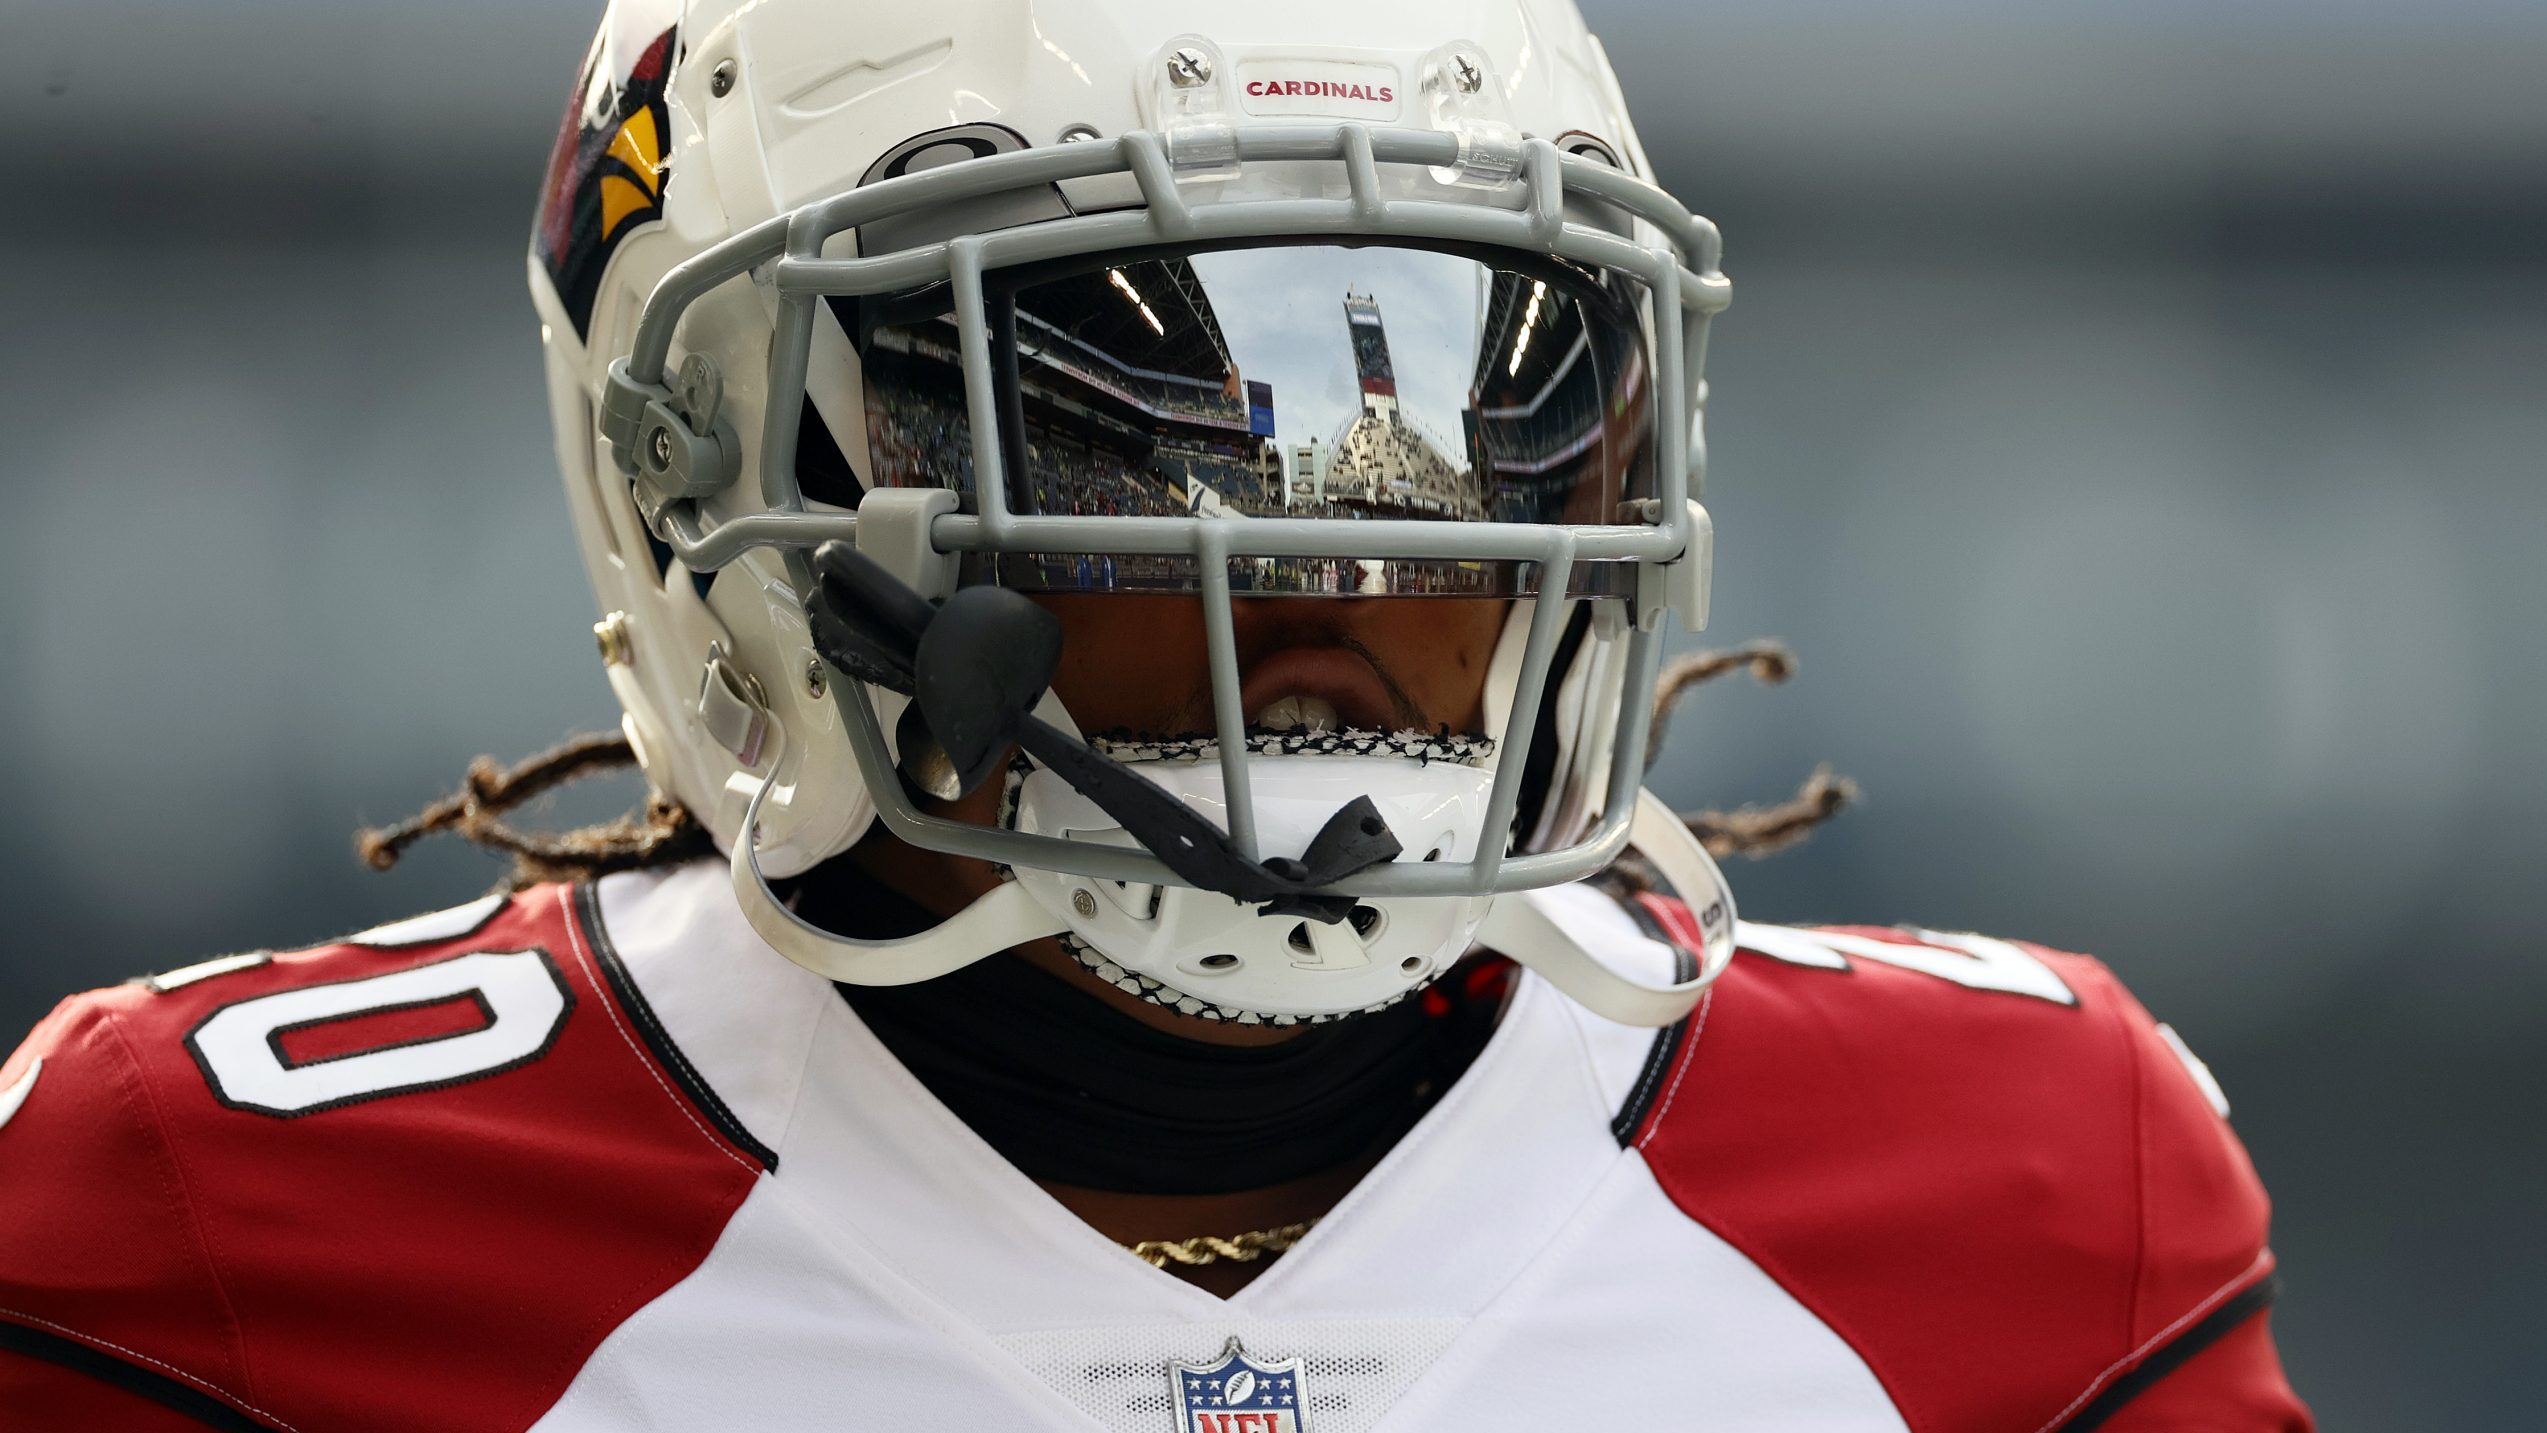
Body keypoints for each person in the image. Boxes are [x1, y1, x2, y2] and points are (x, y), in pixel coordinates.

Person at [0, 0, 2309, 1429]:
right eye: (1128, 449)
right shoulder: (208, 1230)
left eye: (1479, 413)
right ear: (715, 461)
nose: (1329, 571)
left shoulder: (2030, 1192)